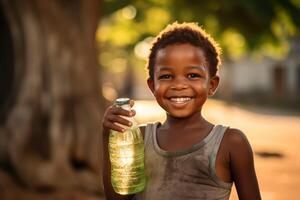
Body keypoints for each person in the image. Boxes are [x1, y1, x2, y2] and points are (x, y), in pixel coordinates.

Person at [102, 22, 261, 200]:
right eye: (166, 76)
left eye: (192, 75)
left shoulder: (230, 143)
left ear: (212, 85)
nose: (178, 85)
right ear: (152, 86)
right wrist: (109, 138)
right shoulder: (138, 139)